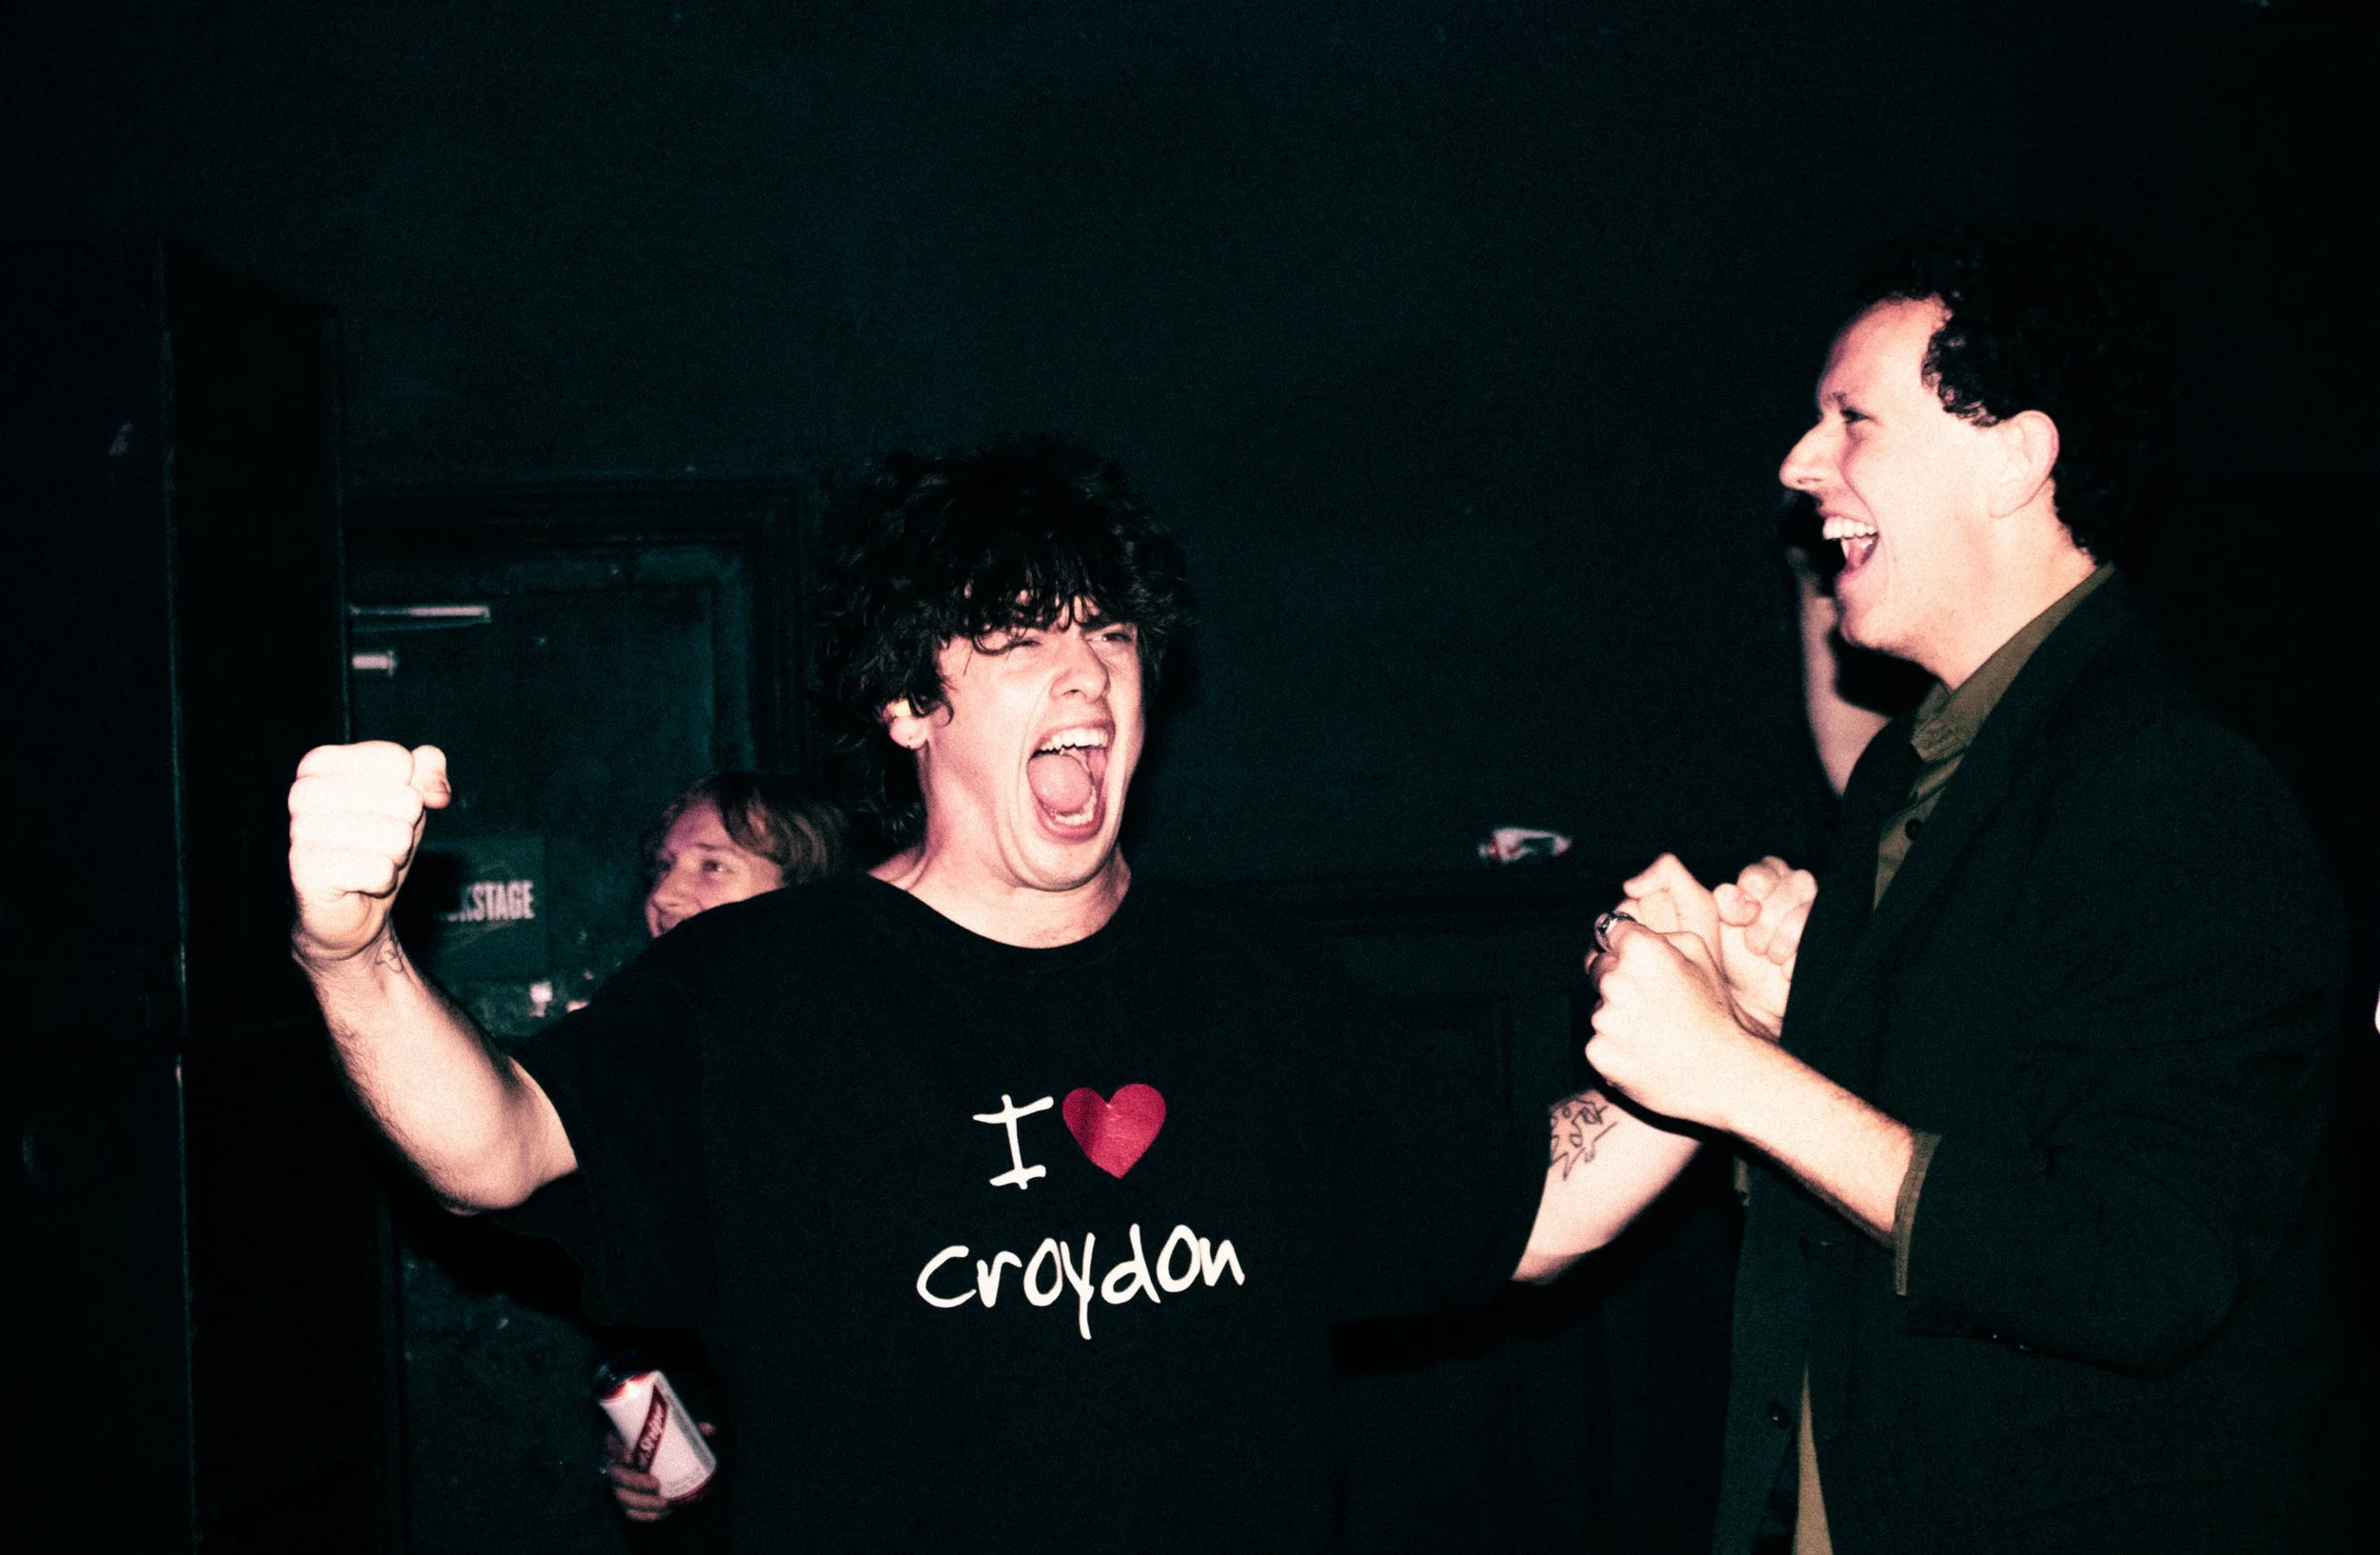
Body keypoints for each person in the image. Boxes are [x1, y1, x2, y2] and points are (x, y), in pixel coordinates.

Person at [285, 435, 1695, 1551]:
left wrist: (1741, 1044)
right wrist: (352, 953)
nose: (1086, 673)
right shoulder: (762, 986)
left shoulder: (1255, 984)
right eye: (1019, 641)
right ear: (911, 703)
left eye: (1114, 635)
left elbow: (1525, 1209)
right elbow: (492, 1152)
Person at [1586, 229, 2350, 1553]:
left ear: (2016, 457)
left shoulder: (2171, 787)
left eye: (1852, 419)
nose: (1800, 464)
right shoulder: (1916, 775)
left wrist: (1732, 1072)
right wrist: (1783, 1011)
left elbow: (2143, 1264)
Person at [602, 770, 850, 1527]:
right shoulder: (661, 1081)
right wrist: (639, 1459)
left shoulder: (858, 1074)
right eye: (664, 869)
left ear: (799, 894)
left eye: (712, 865)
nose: (665, 897)